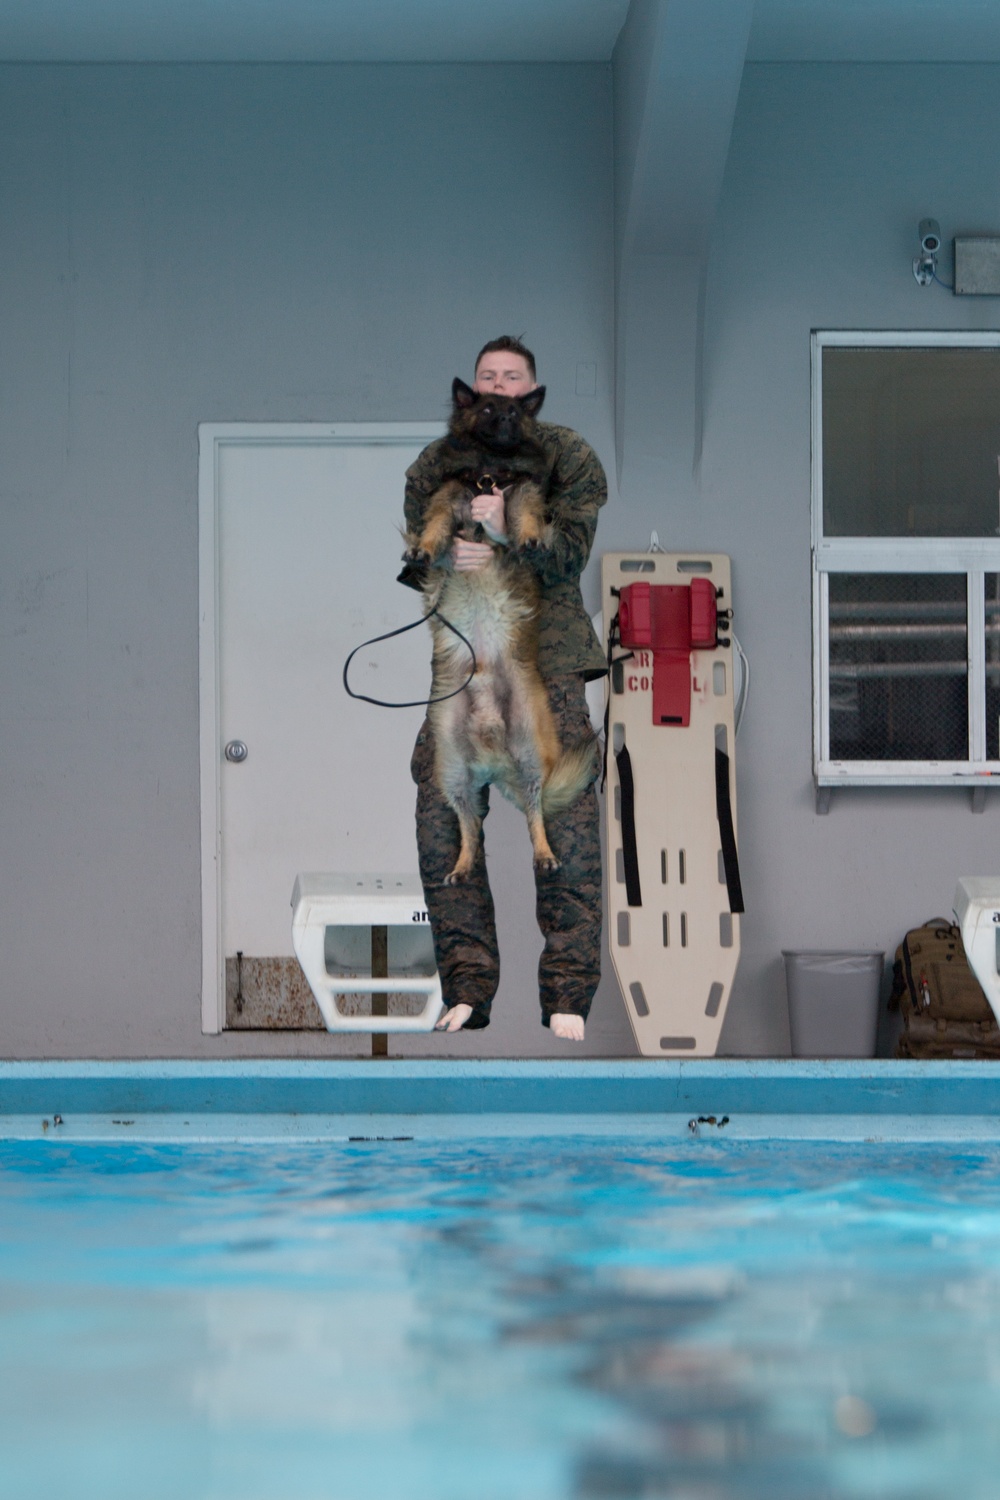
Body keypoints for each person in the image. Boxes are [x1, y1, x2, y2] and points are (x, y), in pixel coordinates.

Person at [404, 336, 607, 1041]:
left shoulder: (567, 454)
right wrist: (445, 553)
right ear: (469, 391)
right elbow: (413, 554)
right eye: (486, 376)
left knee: (567, 825)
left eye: (511, 377)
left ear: (531, 390)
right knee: (442, 815)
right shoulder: (436, 462)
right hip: (465, 663)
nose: (498, 386)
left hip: (544, 663)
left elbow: (571, 553)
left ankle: (568, 994)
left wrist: (504, 532)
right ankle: (467, 987)